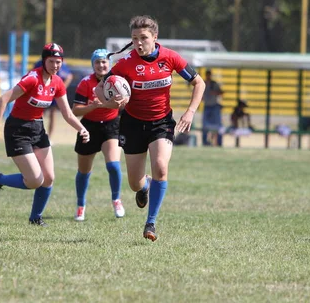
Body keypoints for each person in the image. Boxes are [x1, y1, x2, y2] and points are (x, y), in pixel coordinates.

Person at [94, 15, 205, 241]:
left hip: (161, 123)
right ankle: (145, 187)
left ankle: (151, 223)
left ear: (155, 37)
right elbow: (99, 89)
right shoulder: (125, 64)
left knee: (161, 167)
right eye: (134, 39)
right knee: (135, 183)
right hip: (133, 124)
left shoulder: (170, 58)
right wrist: (111, 102)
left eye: (143, 38)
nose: (139, 43)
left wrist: (190, 111)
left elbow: (199, 82)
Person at [0, 43, 90, 226]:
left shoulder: (57, 82)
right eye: (51, 61)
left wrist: (81, 128)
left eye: (58, 62)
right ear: (44, 60)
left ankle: (35, 218)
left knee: (48, 178)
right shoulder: (32, 78)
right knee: (34, 180)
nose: (55, 65)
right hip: (17, 130)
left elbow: (67, 113)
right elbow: (3, 99)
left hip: (37, 129)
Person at [71, 48, 126, 221]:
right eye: (97, 62)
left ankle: (116, 200)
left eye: (104, 61)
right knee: (84, 171)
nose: (101, 65)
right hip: (88, 127)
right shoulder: (85, 83)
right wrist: (92, 106)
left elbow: (125, 103)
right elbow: (75, 111)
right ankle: (81, 206)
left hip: (111, 125)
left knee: (113, 165)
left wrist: (122, 102)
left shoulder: (117, 81)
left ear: (109, 63)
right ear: (92, 64)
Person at [34, 58, 73, 143]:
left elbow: (69, 76)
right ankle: (36, 135)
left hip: (52, 93)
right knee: (37, 114)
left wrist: (60, 89)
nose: (54, 64)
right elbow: (33, 74)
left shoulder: (60, 64)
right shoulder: (39, 63)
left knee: (52, 114)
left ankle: (49, 138)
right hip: (41, 93)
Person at [201, 69, 224, 146]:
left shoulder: (214, 84)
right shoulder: (202, 83)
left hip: (214, 106)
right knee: (205, 125)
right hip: (207, 106)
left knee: (218, 125)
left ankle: (219, 142)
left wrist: (214, 92)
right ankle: (205, 142)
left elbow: (221, 92)